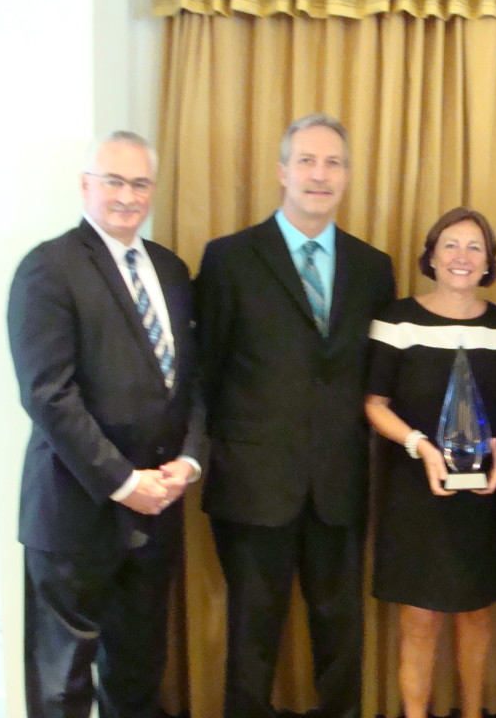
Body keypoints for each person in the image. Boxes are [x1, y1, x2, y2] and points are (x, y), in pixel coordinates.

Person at [196, 113, 395, 718]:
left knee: (341, 633)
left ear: (349, 177)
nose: (320, 174)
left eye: (333, 162)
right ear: (283, 172)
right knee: (253, 634)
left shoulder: (372, 267)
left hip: (338, 482)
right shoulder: (229, 259)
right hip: (254, 484)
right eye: (307, 161)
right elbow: (207, 371)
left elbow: (375, 377)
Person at [8, 130, 206, 718]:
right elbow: (48, 395)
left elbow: (192, 382)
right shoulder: (49, 268)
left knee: (138, 676)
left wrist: (189, 461)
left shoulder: (170, 270)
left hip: (157, 514)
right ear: (86, 186)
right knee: (60, 685)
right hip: (74, 514)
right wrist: (124, 481)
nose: (127, 195)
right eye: (114, 181)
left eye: (140, 183)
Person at [364, 207, 496, 718]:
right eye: (450, 245)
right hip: (415, 492)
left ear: (489, 262)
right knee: (419, 618)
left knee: (477, 616)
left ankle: (472, 712)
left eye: (474, 246)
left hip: (485, 497)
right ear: (431, 256)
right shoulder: (395, 321)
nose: (461, 256)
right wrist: (421, 446)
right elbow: (374, 404)